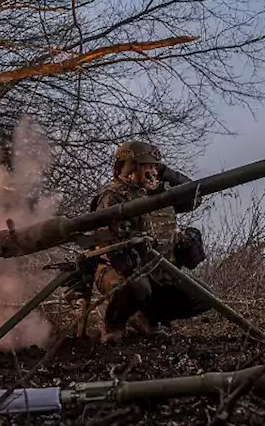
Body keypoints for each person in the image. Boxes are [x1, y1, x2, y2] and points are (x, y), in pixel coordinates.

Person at [89, 141, 210, 342]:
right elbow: (110, 248)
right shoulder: (113, 197)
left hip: (160, 270)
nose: (152, 172)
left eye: (155, 167)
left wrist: (166, 172)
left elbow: (194, 197)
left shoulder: (160, 193)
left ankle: (147, 318)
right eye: (147, 167)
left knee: (203, 297)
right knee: (137, 286)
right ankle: (114, 325)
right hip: (119, 272)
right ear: (130, 167)